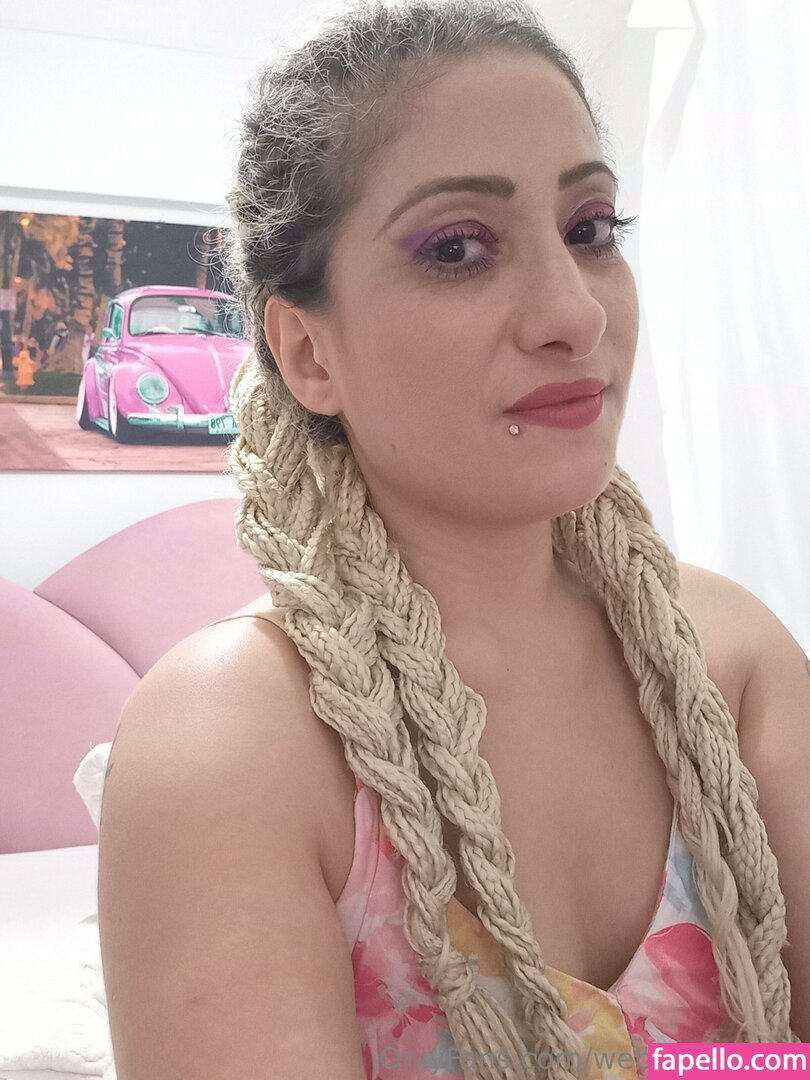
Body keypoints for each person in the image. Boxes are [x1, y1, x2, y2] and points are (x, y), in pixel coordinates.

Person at [97, 1, 809, 1078]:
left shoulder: (731, 659)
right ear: (308, 352)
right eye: (459, 248)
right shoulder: (235, 736)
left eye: (590, 230)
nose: (575, 314)